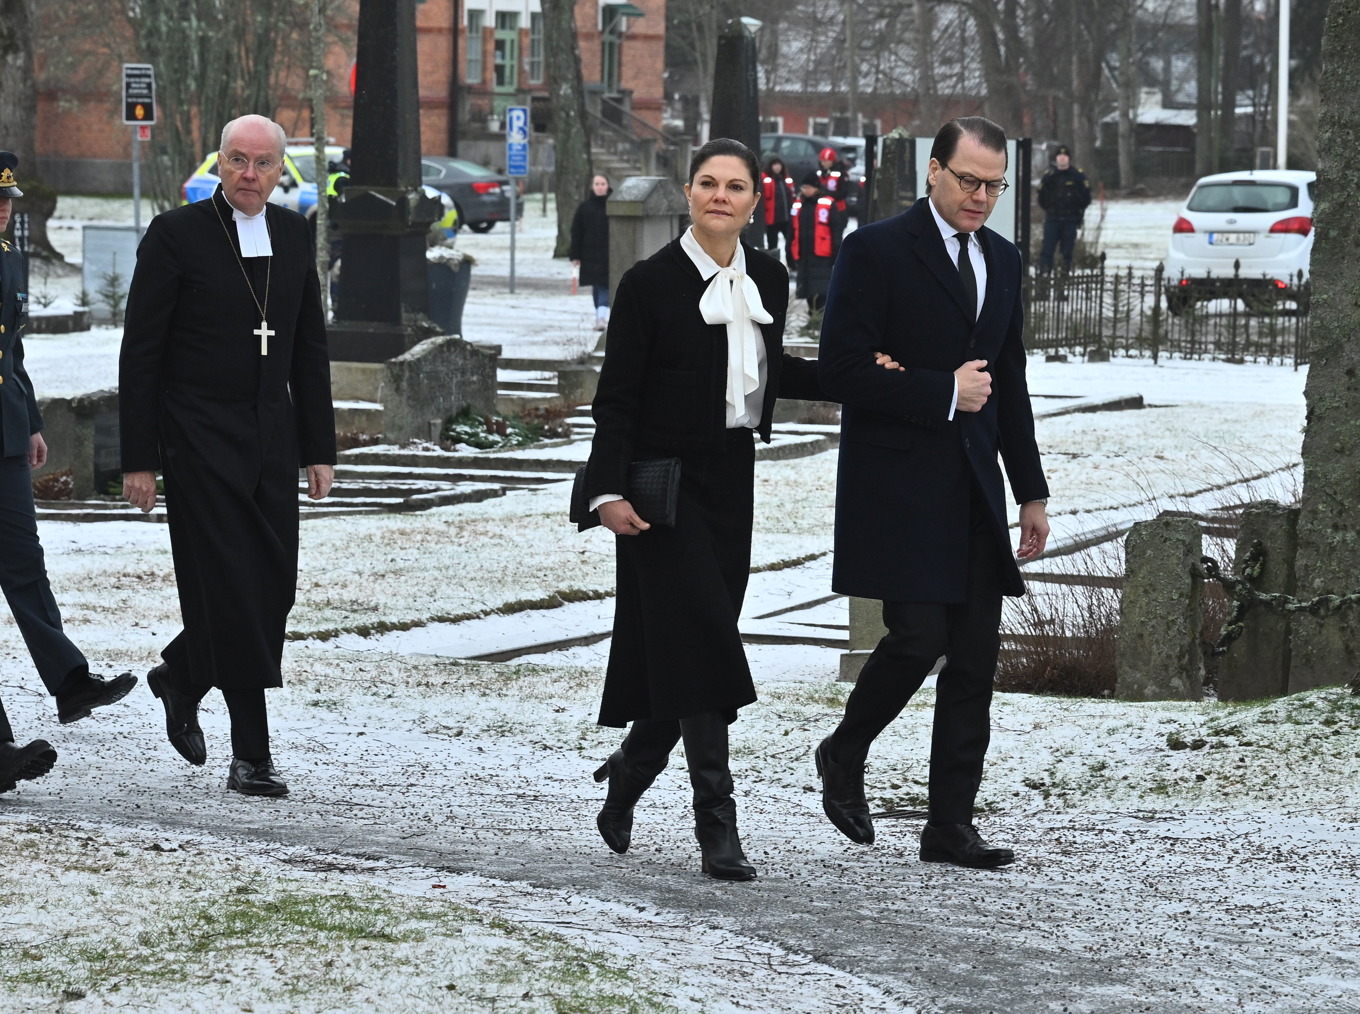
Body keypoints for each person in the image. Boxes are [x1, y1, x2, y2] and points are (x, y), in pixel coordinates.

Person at [814, 116, 1050, 869]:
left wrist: (1032, 492)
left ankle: (949, 823)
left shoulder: (1004, 260)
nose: (982, 197)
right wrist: (938, 389)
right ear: (933, 172)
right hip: (898, 483)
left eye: (995, 185)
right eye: (969, 180)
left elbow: (1007, 382)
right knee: (919, 635)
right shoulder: (874, 250)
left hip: (975, 485)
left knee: (975, 657)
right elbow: (842, 371)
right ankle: (844, 751)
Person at [119, 114, 336, 798]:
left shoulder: (295, 233)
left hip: (271, 435)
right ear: (217, 164)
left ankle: (181, 677)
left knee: (274, 589)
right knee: (236, 593)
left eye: (263, 164)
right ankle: (252, 756)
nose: (249, 174)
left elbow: (308, 348)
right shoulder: (176, 235)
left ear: (280, 172)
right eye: (237, 161)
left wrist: (318, 449)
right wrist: (138, 458)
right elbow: (141, 353)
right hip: (197, 436)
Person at [0, 150, 136, 740]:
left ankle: (70, 681)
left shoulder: (9, 257)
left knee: (25, 563)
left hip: (3, 434)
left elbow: (13, 349)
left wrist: (28, 421)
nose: (3, 212)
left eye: (8, 202)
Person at [792, 172, 845, 313]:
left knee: (821, 287)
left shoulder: (828, 204)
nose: (805, 190)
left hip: (822, 253)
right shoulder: (799, 205)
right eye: (803, 187)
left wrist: (836, 249)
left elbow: (836, 228)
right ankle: (812, 313)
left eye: (808, 187)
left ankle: (819, 315)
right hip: (804, 252)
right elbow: (792, 229)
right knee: (807, 286)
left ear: (816, 187)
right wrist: (789, 250)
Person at [1037, 144, 1091, 274]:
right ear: (1056, 159)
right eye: (1059, 156)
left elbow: (1086, 197)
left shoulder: (1077, 176)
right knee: (1047, 250)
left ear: (1069, 158)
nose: (1062, 159)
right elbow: (1041, 197)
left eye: (1064, 156)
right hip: (1052, 218)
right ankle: (1044, 278)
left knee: (1067, 252)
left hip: (1070, 218)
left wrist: (1076, 210)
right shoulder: (1049, 176)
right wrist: (1050, 208)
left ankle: (1063, 277)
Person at [570, 174, 612, 330]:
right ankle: (599, 315)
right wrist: (575, 255)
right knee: (596, 286)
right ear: (592, 186)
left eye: (603, 183)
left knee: (605, 286)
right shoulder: (584, 207)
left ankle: (601, 318)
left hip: (610, 255)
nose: (600, 187)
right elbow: (577, 232)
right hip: (590, 255)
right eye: (597, 184)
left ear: (608, 185)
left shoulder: (614, 205)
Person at [760, 156, 794, 266]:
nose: (777, 167)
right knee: (772, 244)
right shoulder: (765, 179)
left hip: (786, 218)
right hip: (772, 218)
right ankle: (773, 266)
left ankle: (792, 264)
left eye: (779, 164)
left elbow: (791, 197)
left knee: (790, 243)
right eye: (775, 164)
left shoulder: (786, 179)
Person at [814, 146, 849, 213]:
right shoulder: (819, 173)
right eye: (822, 161)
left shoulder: (841, 174)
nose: (824, 163)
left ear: (833, 161)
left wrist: (826, 192)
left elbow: (843, 193)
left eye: (827, 161)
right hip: (822, 208)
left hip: (838, 208)